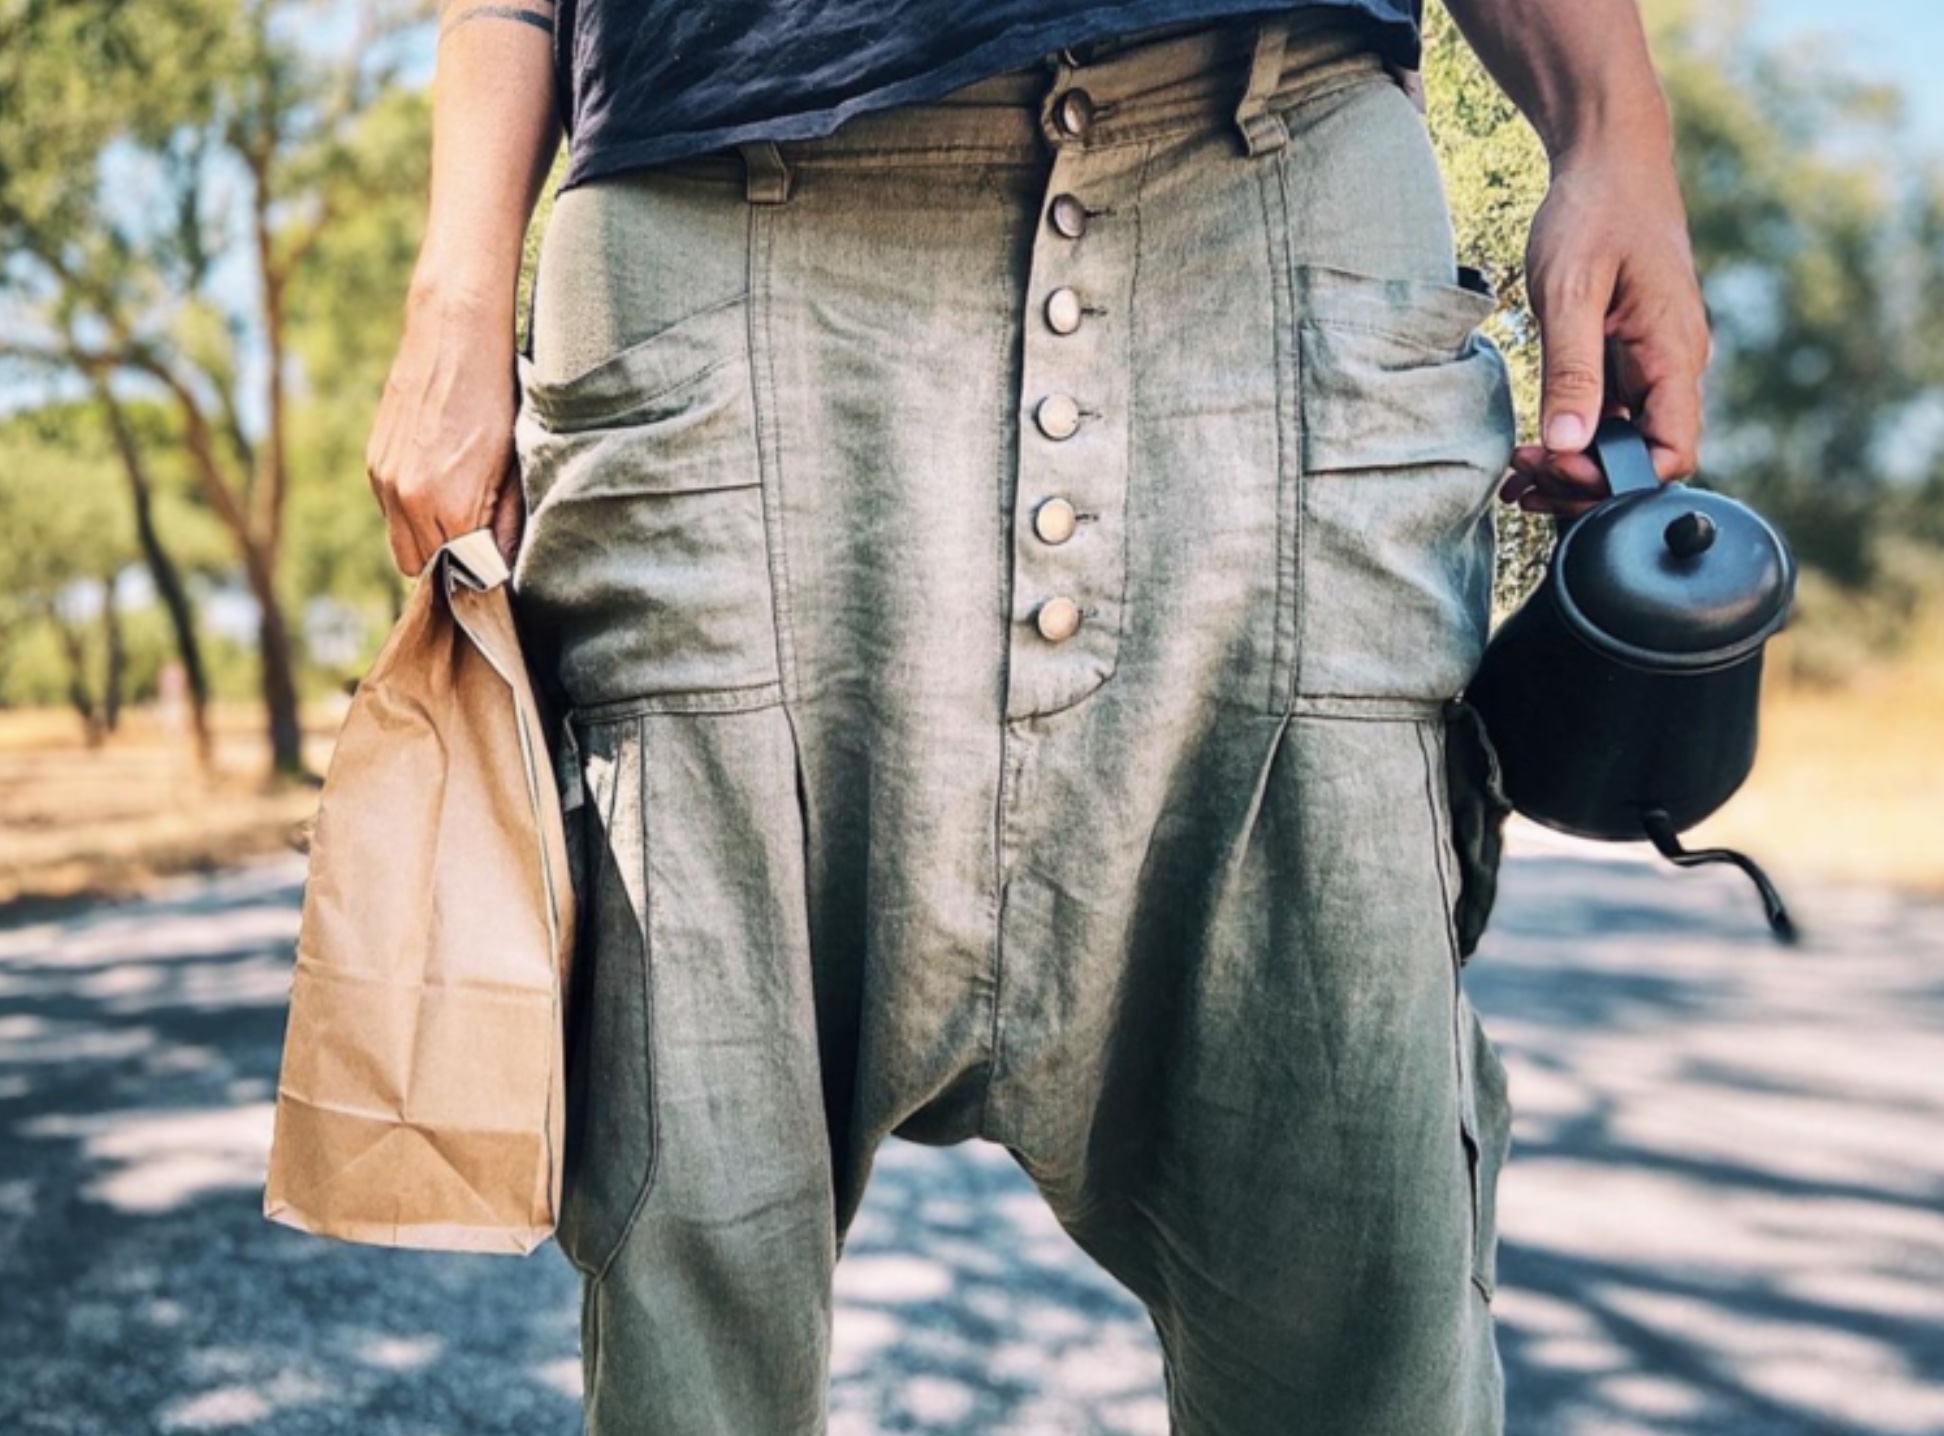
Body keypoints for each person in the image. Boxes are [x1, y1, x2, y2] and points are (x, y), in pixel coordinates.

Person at [365, 1, 1709, 1431]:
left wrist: (1611, 127)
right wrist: (456, 287)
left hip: (1275, 220)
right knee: (690, 1267)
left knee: (1363, 1293)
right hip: (715, 259)